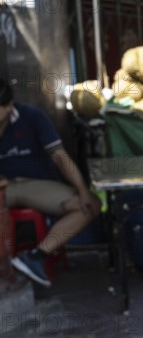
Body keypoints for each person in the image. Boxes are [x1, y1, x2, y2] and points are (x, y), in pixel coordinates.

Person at [0, 79, 101, 287]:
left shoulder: (32, 117)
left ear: (8, 107)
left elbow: (60, 157)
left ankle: (36, 256)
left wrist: (82, 190)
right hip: (4, 188)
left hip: (36, 185)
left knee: (90, 205)